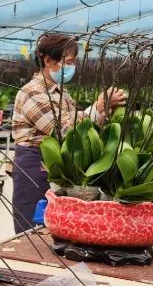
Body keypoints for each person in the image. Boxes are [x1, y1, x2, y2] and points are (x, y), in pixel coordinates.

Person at [10, 34, 127, 233]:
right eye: (69, 62)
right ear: (48, 60)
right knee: (33, 230)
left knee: (54, 226)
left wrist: (104, 113)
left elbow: (80, 131)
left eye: (74, 62)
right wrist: (97, 108)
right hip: (33, 167)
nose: (72, 68)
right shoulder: (32, 92)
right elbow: (62, 130)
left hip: (57, 166)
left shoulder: (62, 93)